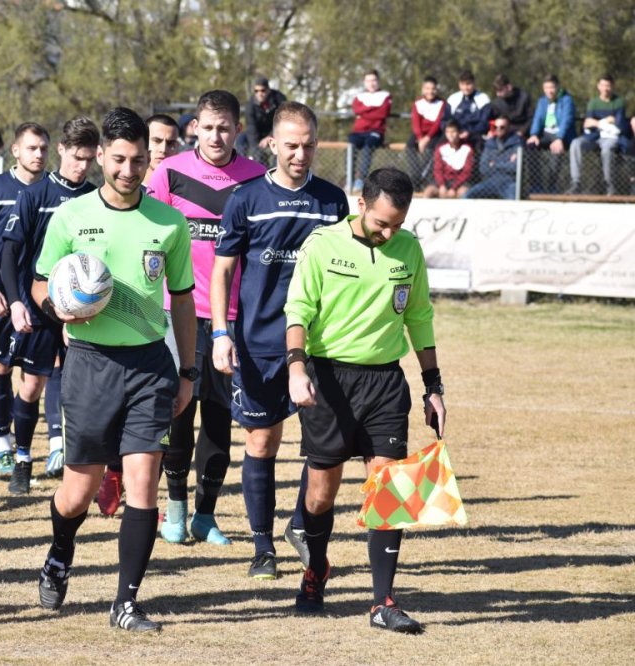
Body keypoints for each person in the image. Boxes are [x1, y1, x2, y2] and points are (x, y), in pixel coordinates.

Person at [33, 107, 195, 633]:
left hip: (150, 363)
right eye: (119, 159)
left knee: (143, 482)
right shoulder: (70, 217)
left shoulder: (169, 223)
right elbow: (39, 284)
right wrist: (57, 305)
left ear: (150, 159)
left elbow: (184, 300)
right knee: (80, 489)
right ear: (101, 156)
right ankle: (60, 553)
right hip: (88, 362)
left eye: (139, 160)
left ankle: (125, 602)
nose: (129, 169)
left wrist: (187, 369)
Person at [284, 166, 446, 634]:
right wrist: (296, 368)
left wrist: (433, 386)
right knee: (320, 495)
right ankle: (315, 570)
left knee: (390, 491)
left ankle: (383, 602)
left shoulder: (408, 249)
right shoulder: (322, 245)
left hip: (384, 384)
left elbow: (418, 316)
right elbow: (298, 310)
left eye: (397, 224)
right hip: (328, 380)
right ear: (362, 204)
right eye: (382, 223)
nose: (389, 232)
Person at [212, 102, 349, 579]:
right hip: (258, 343)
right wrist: (220, 332)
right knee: (263, 441)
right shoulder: (246, 198)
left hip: (318, 345)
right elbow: (223, 269)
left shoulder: (333, 200)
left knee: (324, 448)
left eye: (309, 144)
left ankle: (299, 526)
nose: (301, 153)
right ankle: (262, 547)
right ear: (272, 143)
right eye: (291, 144)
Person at [145, 90, 266, 546]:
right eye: (207, 127)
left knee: (220, 418)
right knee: (179, 411)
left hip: (236, 321)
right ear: (194, 126)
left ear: (238, 129)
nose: (215, 136)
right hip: (181, 314)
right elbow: (151, 236)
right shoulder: (169, 173)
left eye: (224, 128)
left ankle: (206, 514)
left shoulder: (257, 178)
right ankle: (174, 507)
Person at [0, 116, 99, 493]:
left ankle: (75, 463)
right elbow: (10, 252)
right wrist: (14, 302)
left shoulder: (94, 199)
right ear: (60, 150)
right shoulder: (35, 196)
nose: (81, 166)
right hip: (39, 308)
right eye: (75, 157)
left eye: (88, 159)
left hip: (83, 311)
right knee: (32, 385)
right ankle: (22, 460)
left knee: (82, 389)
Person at [0, 122, 49, 474]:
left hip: (42, 296)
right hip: (1, 297)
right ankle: (3, 445)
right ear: (15, 151)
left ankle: (33, 446)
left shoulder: (55, 190)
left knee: (36, 378)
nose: (39, 155)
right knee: (0, 367)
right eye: (32, 148)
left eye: (44, 148)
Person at [568, 74, 625, 196]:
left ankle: (609, 185)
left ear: (612, 86)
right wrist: (605, 121)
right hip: (593, 137)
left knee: (607, 150)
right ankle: (576, 182)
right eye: (603, 85)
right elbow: (588, 123)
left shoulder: (618, 102)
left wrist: (597, 123)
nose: (605, 88)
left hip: (610, 138)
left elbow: (618, 123)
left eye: (608, 85)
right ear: (598, 86)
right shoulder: (593, 103)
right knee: (575, 143)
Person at [526, 74, 576, 193]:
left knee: (556, 149)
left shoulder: (566, 100)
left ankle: (552, 186)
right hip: (546, 133)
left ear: (557, 87)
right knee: (531, 146)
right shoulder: (542, 101)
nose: (549, 91)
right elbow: (537, 118)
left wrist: (559, 138)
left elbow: (566, 120)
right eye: (546, 88)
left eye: (552, 87)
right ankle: (536, 185)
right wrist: (534, 134)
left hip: (561, 135)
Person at [348, 70, 391, 192]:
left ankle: (360, 180)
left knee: (368, 147)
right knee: (351, 146)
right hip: (359, 131)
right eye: (368, 80)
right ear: (364, 82)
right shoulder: (359, 96)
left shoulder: (385, 95)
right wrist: (373, 110)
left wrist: (364, 112)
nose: (371, 83)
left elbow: (383, 113)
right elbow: (356, 109)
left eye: (374, 80)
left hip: (376, 131)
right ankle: (349, 179)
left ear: (378, 81)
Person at [405, 76, 449, 190]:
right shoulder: (418, 102)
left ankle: (424, 179)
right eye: (427, 88)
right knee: (409, 146)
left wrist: (426, 139)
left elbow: (437, 123)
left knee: (430, 150)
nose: (430, 91)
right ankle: (415, 176)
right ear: (423, 89)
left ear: (436, 90)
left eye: (433, 88)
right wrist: (420, 138)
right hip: (420, 134)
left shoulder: (442, 103)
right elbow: (415, 122)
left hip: (434, 134)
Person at [464, 116, 523, 200]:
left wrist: (494, 164)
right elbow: (483, 168)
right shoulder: (489, 144)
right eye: (495, 127)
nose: (498, 129)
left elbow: (515, 168)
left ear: (508, 128)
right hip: (490, 181)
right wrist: (506, 163)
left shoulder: (517, 143)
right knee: (467, 195)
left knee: (513, 199)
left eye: (502, 127)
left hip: (509, 183)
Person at [423, 120, 473, 199]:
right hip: (443, 181)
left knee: (464, 193)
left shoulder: (467, 149)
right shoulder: (441, 149)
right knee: (428, 192)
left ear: (459, 133)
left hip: (460, 183)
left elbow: (466, 172)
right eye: (448, 132)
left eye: (453, 132)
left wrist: (454, 188)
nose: (450, 135)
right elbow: (437, 170)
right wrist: (442, 185)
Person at [243, 76, 287, 163]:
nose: (260, 93)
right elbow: (251, 127)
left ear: (268, 90)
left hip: (275, 134)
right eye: (256, 91)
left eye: (262, 90)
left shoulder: (279, 100)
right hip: (257, 136)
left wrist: (270, 136)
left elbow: (282, 122)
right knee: (240, 141)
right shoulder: (250, 105)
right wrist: (255, 148)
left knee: (278, 152)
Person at [447, 70, 491, 152]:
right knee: (439, 145)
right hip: (455, 134)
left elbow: (484, 123)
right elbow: (445, 120)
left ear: (474, 83)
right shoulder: (453, 99)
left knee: (479, 145)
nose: (466, 88)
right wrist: (453, 132)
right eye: (463, 84)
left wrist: (469, 132)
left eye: (468, 84)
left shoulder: (483, 99)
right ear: (459, 84)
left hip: (475, 135)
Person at [144, 114, 180, 182]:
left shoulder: (184, 189)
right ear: (143, 142)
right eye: (157, 141)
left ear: (177, 147)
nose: (163, 149)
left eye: (170, 143)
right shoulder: (128, 189)